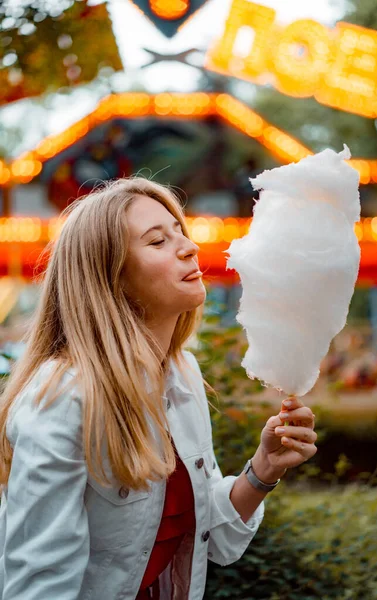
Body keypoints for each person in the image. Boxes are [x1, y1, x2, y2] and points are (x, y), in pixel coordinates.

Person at [0, 177, 317, 600]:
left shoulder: (181, 373)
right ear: (111, 278)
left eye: (179, 232)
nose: (188, 247)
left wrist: (263, 469)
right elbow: (39, 583)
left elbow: (209, 538)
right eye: (157, 242)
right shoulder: (64, 399)